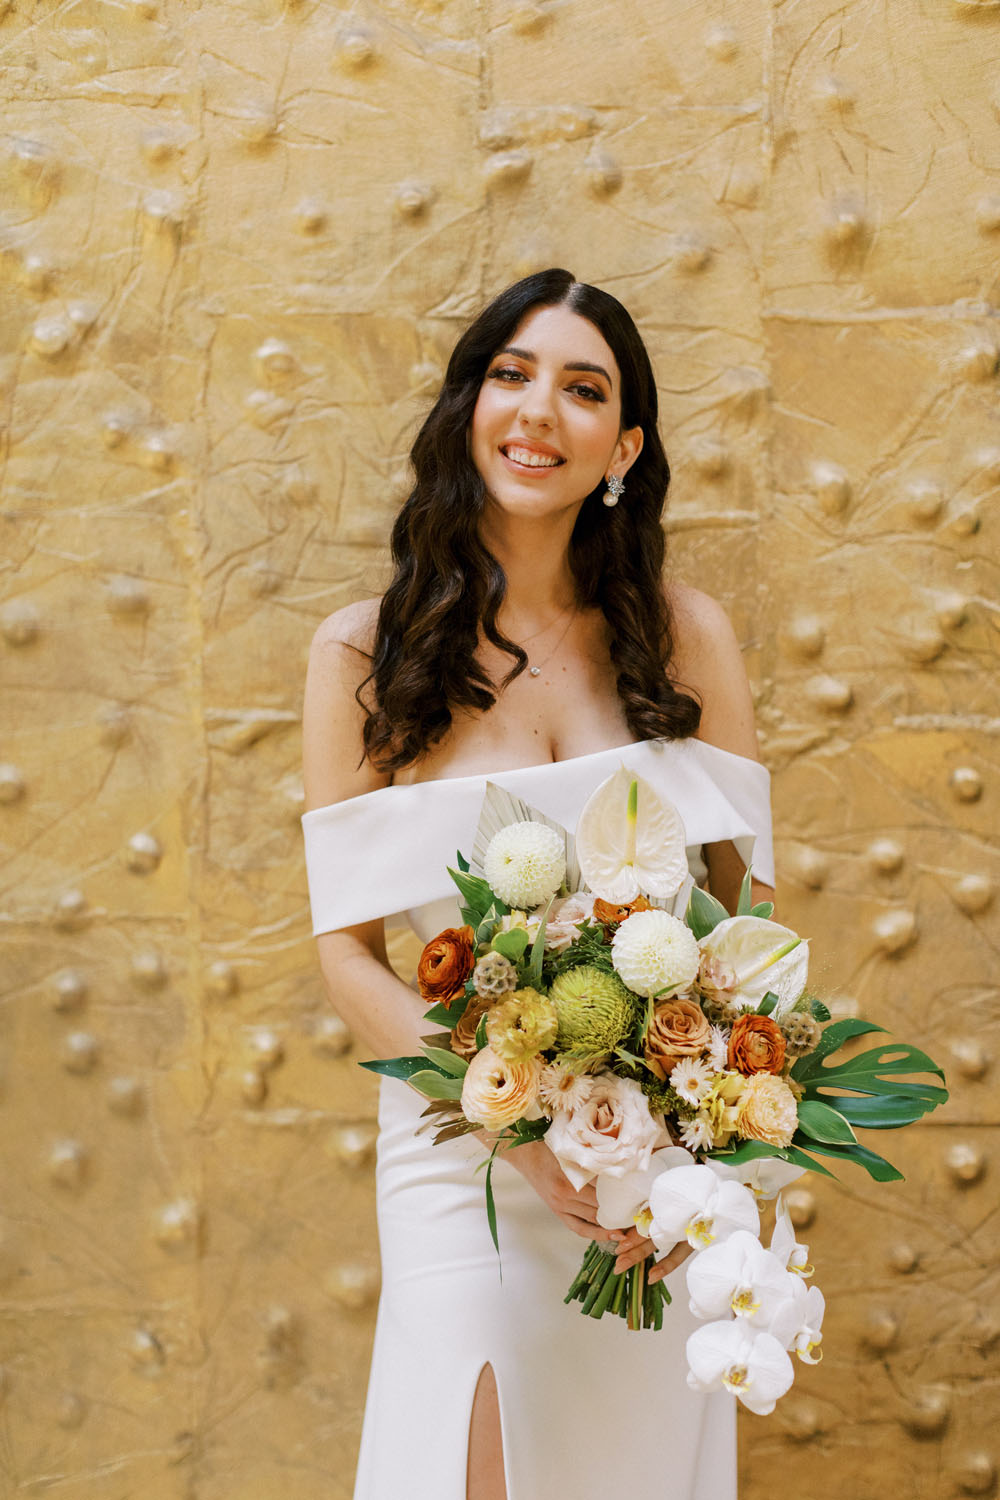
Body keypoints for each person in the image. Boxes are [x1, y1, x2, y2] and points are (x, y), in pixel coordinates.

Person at [300, 268, 776, 1500]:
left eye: (581, 389)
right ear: (468, 407)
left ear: (621, 445)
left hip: (652, 1162)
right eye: (511, 374)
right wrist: (512, 1127)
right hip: (462, 1150)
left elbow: (748, 928)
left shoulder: (686, 637)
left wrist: (700, 1141)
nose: (537, 411)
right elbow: (347, 955)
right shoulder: (365, 651)